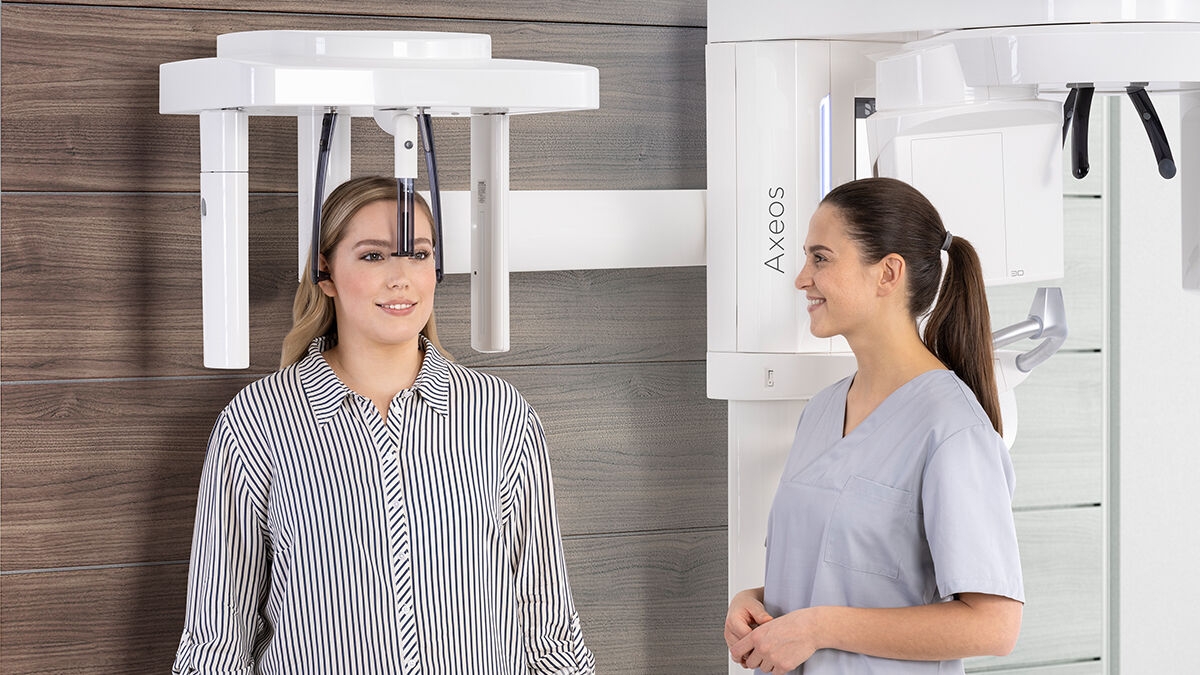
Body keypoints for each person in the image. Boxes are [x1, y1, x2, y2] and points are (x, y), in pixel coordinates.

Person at [172, 176, 594, 674]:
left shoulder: (498, 415)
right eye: (373, 256)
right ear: (325, 272)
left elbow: (552, 628)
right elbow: (216, 641)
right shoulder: (259, 422)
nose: (402, 277)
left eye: (418, 253)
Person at [725, 177, 1024, 674]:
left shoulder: (951, 429)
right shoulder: (821, 410)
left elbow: (994, 625)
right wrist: (754, 600)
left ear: (888, 273)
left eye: (821, 258)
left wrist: (818, 628)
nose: (801, 278)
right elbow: (837, 576)